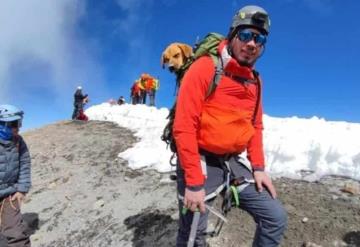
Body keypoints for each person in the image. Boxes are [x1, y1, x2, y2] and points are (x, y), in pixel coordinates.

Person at [173, 5, 287, 246]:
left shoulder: (255, 81)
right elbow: (184, 126)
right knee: (193, 235)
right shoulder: (205, 67)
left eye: (259, 38)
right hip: (201, 160)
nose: (252, 43)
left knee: (274, 217)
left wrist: (258, 167)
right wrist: (193, 182)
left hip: (232, 162)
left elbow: (255, 125)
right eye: (246, 35)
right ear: (233, 35)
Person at [0, 104, 31, 247]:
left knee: (16, 233)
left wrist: (22, 189)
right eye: (15, 124)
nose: (19, 128)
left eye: (19, 123)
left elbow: (25, 163)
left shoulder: (18, 141)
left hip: (9, 195)